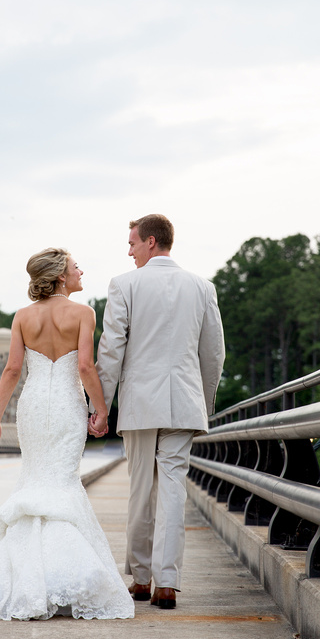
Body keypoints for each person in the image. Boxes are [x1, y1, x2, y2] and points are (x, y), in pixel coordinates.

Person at [0, 248, 134, 621]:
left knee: (35, 480)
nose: (80, 271)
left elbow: (11, 370)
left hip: (33, 405)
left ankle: (24, 576)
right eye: (75, 267)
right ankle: (64, 578)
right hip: (65, 406)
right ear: (60, 276)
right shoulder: (84, 313)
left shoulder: (23, 316)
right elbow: (87, 367)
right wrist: (101, 408)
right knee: (60, 482)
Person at [89, 215, 225, 610]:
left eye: (132, 243)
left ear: (151, 241)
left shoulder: (125, 285)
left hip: (140, 404)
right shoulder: (203, 287)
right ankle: (168, 582)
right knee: (173, 491)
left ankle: (141, 579)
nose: (128, 250)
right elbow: (213, 353)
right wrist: (205, 402)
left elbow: (111, 349)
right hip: (184, 402)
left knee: (140, 491)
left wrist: (102, 407)